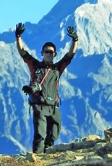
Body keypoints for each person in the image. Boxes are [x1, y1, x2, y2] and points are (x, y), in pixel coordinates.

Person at [15, 22, 78, 153]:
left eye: (51, 52)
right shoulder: (35, 65)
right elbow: (23, 53)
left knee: (54, 134)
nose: (49, 54)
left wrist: (75, 40)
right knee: (40, 135)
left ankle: (47, 157)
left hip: (54, 107)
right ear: (42, 53)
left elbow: (69, 56)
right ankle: (37, 161)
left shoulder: (57, 69)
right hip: (39, 106)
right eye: (46, 52)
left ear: (55, 54)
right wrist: (18, 37)